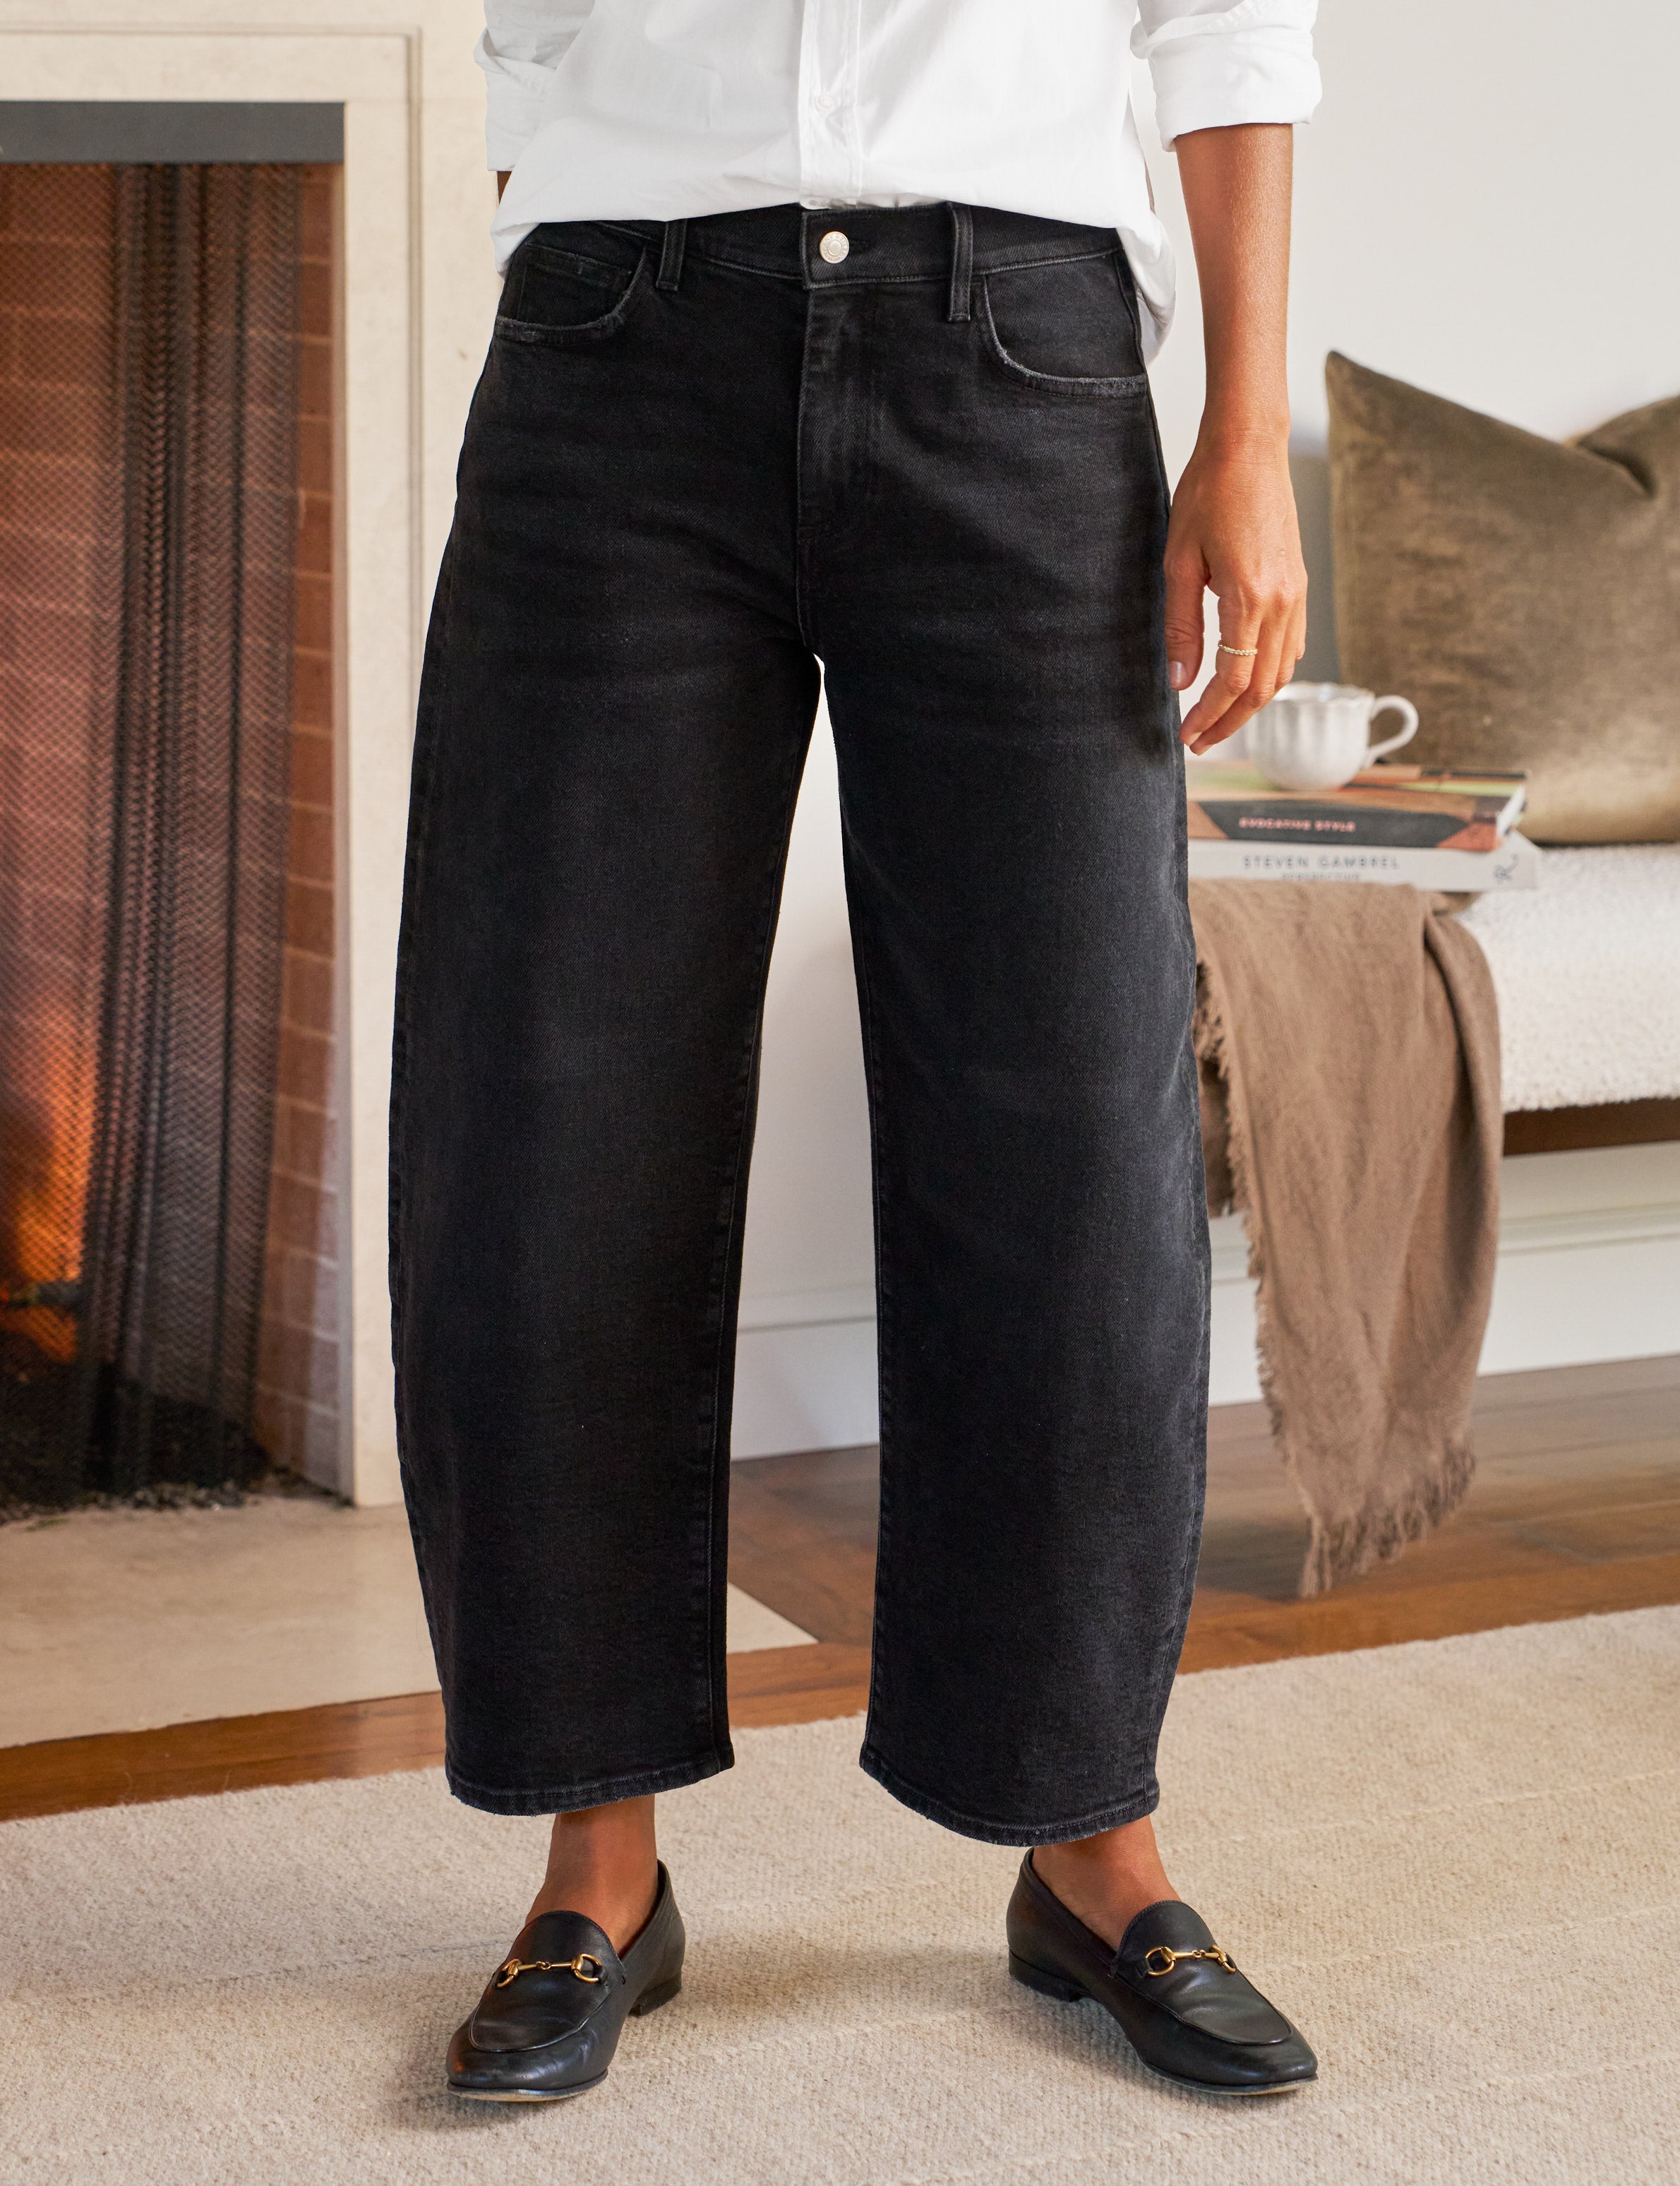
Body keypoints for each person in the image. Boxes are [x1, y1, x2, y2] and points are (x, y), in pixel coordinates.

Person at [391, 0, 1320, 2103]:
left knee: (1069, 1128)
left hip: (1022, 348)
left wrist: (1239, 432)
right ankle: (594, 1861)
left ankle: (1089, 1843)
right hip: (620, 345)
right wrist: (576, 193)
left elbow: (1231, 25)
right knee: (548, 1109)